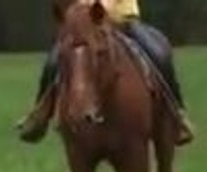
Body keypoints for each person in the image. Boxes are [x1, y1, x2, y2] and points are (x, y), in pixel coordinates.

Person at [16, 0, 195, 144]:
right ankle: (40, 114)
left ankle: (176, 113)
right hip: (88, 23)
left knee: (158, 54)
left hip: (122, 20)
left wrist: (102, 8)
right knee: (54, 60)